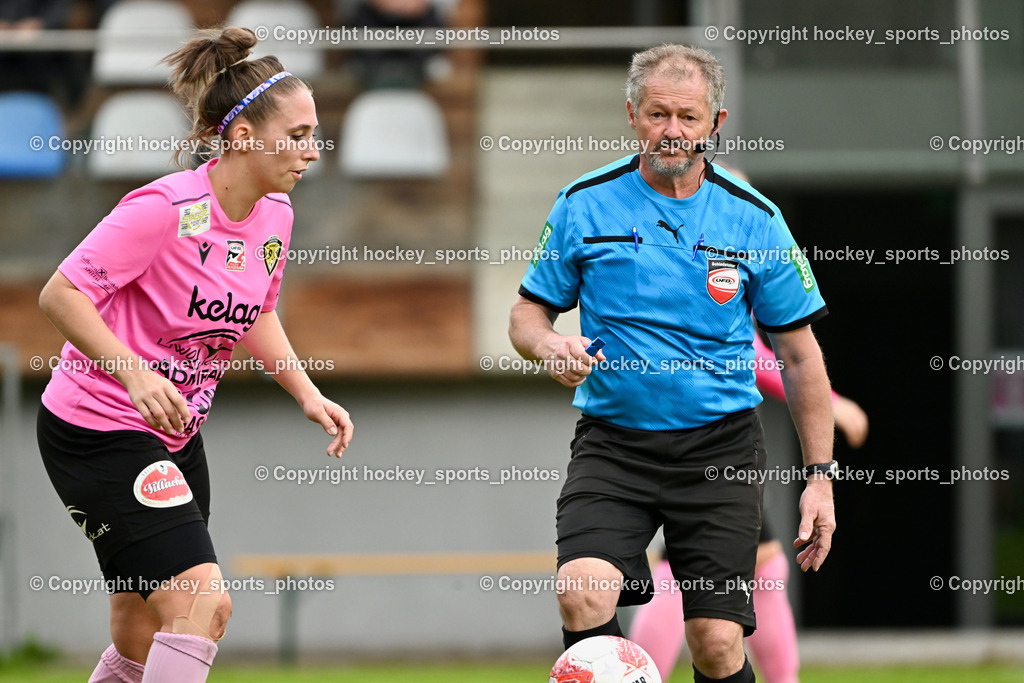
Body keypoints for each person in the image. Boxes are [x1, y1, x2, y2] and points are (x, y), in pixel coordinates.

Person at [509, 44, 836, 683]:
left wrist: (819, 476)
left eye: (688, 118)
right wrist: (550, 345)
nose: (672, 132)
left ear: (716, 122)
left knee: (714, 641)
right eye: (658, 114)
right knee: (581, 592)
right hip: (614, 444)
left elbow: (800, 358)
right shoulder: (583, 203)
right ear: (632, 114)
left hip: (720, 450)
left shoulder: (755, 218)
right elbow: (526, 315)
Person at [36, 27, 353, 683]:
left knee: (141, 625)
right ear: (240, 136)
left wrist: (306, 391)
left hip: (175, 435)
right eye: (296, 134)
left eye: (313, 133)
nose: (312, 151)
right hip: (99, 430)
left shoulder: (275, 215)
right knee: (205, 605)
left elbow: (257, 312)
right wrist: (133, 369)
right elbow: (61, 294)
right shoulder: (164, 208)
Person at [629, 332, 869, 682]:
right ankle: (637, 673)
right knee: (731, 564)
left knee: (759, 562)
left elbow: (759, 353)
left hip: (709, 453)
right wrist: (833, 402)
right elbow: (757, 356)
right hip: (688, 447)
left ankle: (636, 672)